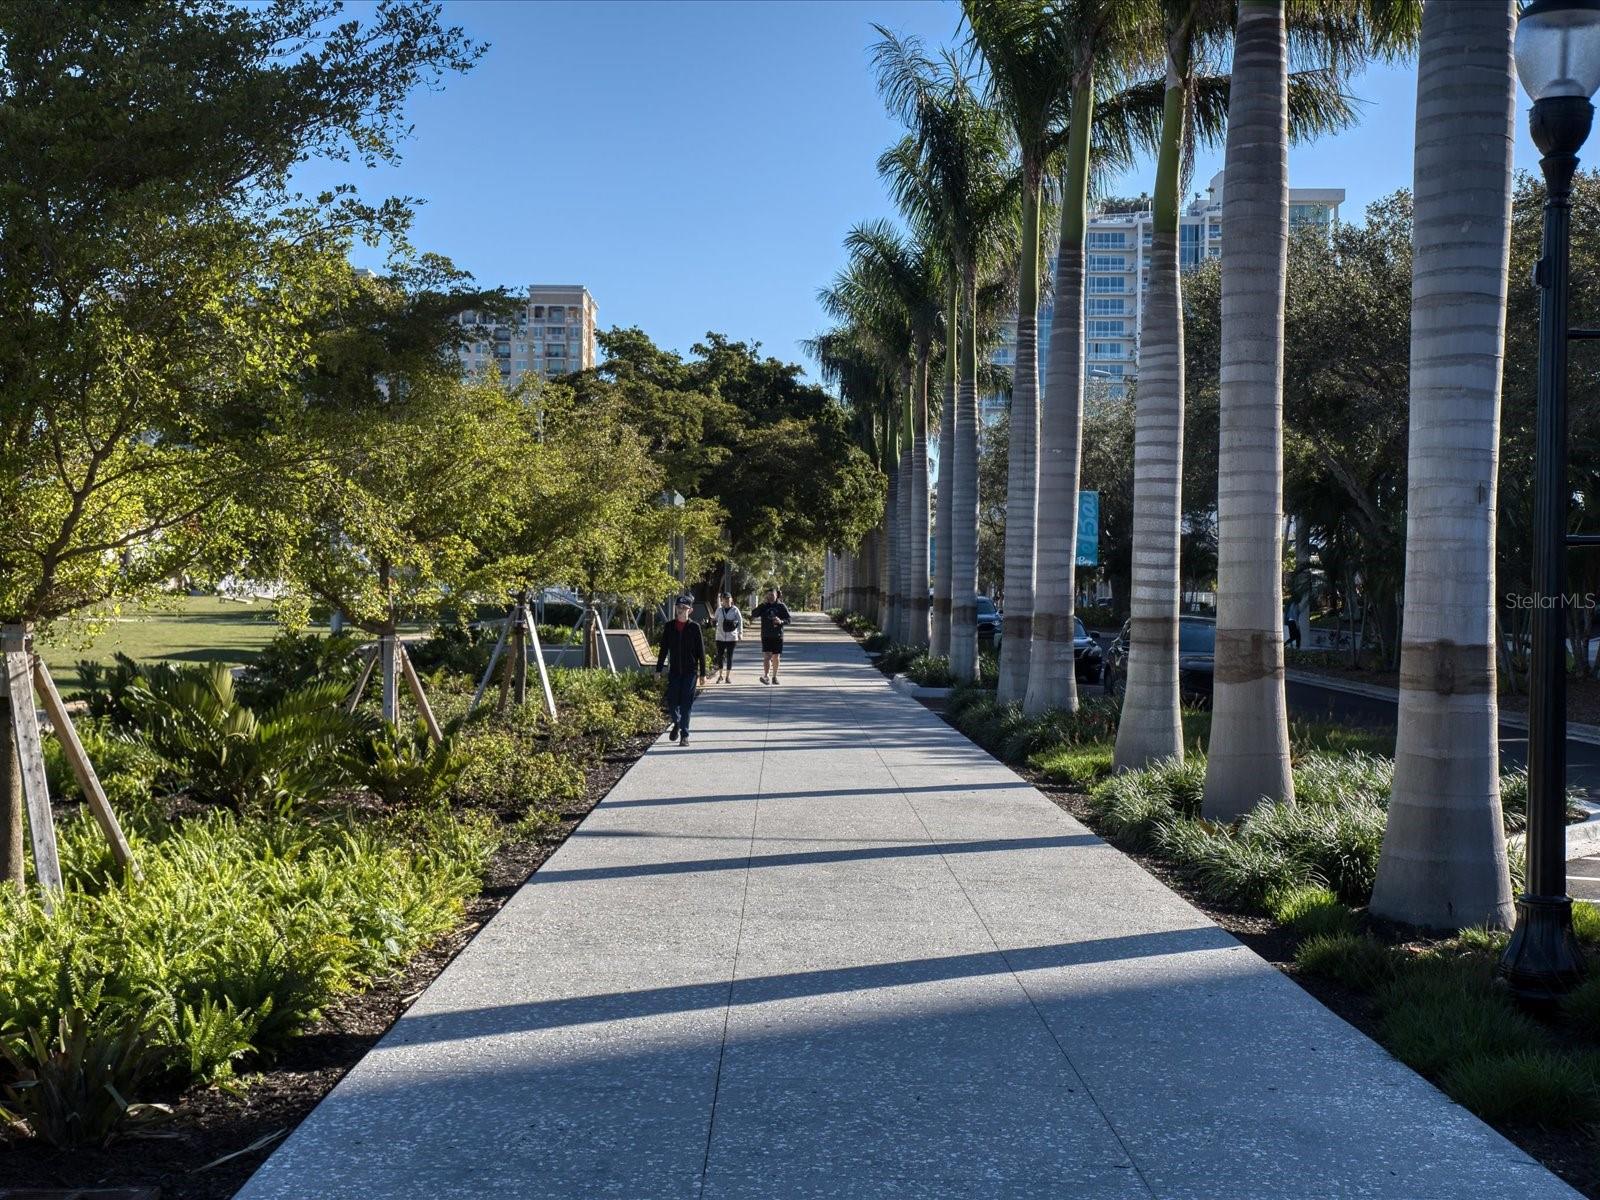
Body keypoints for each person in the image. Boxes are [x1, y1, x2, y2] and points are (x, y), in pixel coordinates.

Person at [655, 596, 706, 745]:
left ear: (690, 610)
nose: (681, 610)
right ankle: (677, 722)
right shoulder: (669, 626)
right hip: (675, 672)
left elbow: (701, 652)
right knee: (672, 702)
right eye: (678, 607)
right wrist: (658, 670)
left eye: (684, 608)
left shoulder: (694, 627)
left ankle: (685, 735)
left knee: (686, 704)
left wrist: (702, 673)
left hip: (690, 672)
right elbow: (663, 649)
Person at [752, 586, 793, 684]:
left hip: (777, 635)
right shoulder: (764, 606)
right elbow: (754, 614)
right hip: (766, 634)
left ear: (776, 595)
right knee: (767, 656)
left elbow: (789, 620)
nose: (770, 597)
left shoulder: (781, 606)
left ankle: (774, 676)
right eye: (769, 595)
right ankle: (766, 676)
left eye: (772, 595)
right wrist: (762, 604)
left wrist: (781, 621)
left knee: (776, 656)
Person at [711, 590, 742, 683]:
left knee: (729, 656)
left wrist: (740, 633)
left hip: (732, 637)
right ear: (722, 600)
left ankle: (727, 676)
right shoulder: (719, 610)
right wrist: (712, 620)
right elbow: (715, 619)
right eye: (725, 599)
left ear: (731, 600)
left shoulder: (735, 610)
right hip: (720, 636)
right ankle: (720, 675)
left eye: (728, 599)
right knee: (720, 656)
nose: (727, 601)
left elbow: (740, 622)